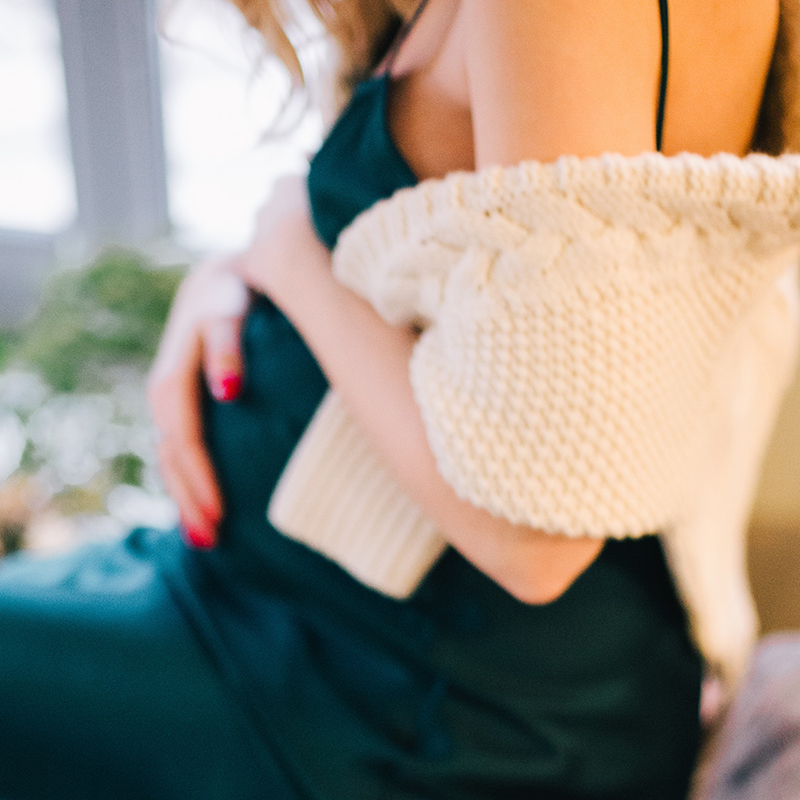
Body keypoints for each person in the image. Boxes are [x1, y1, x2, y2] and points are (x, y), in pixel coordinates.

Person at [1, 0, 799, 797]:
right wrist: (238, 269)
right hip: (295, 611)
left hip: (398, 693)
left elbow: (537, 541)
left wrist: (287, 249)